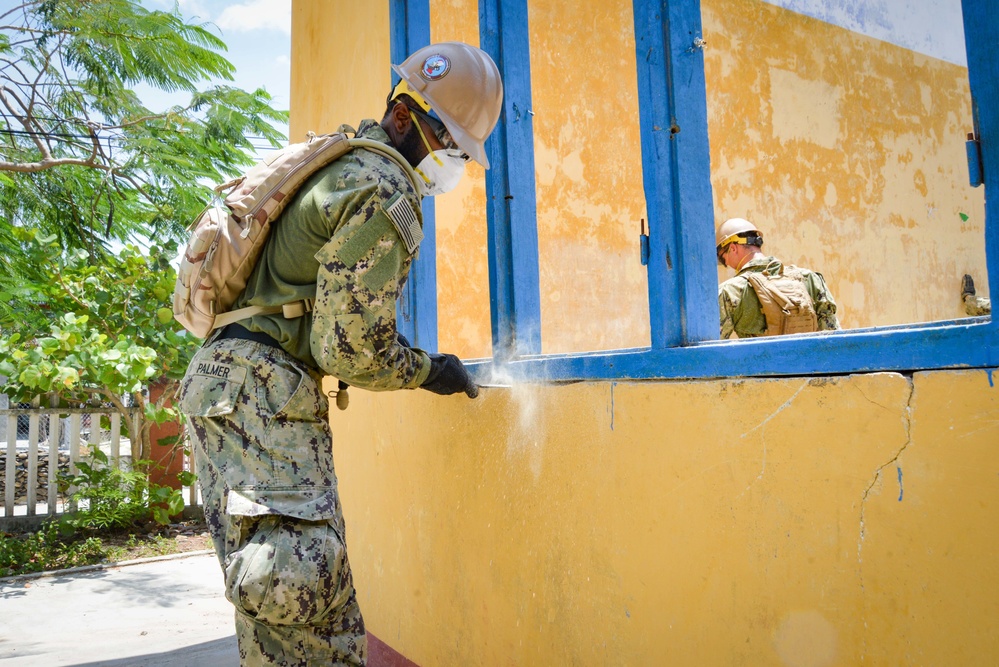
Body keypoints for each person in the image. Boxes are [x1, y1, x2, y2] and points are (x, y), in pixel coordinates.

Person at [176, 42, 503, 666]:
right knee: (307, 606)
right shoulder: (384, 190)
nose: (451, 163)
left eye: (460, 152)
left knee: (271, 598)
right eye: (448, 144)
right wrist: (429, 369)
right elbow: (348, 348)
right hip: (265, 393)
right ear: (404, 117)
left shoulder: (341, 163)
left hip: (223, 385)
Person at [716, 217, 840, 339]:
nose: (726, 264)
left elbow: (714, 346)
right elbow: (832, 336)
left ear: (733, 248)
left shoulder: (730, 291)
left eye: (722, 258)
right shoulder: (810, 279)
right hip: (807, 358)